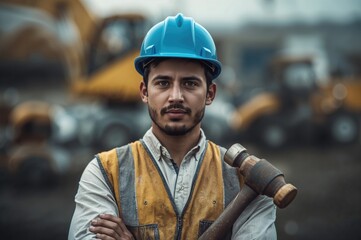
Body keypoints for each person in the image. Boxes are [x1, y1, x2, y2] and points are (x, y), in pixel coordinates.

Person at [68, 13, 277, 240]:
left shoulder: (246, 181)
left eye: (190, 83)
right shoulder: (104, 172)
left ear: (210, 93)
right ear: (145, 92)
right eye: (163, 83)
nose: (176, 96)